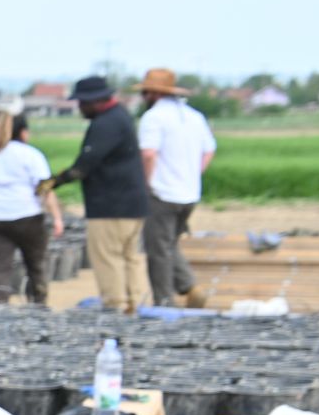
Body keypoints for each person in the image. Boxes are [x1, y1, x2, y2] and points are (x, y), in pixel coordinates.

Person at [42, 75, 150, 313]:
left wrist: (54, 182)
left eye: (82, 102)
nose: (80, 107)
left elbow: (85, 165)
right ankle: (136, 304)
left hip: (111, 206)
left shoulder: (105, 123)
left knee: (108, 257)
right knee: (130, 257)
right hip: (133, 204)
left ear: (97, 101)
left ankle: (116, 306)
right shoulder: (121, 116)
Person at [0, 111, 64, 305]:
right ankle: (38, 306)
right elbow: (45, 188)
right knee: (35, 265)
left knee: (1, 267)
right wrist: (57, 217)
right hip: (27, 216)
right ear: (24, 132)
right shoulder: (31, 155)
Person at [134, 68, 216, 307]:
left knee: (157, 249)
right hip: (189, 193)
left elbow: (148, 153)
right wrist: (194, 173)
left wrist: (146, 183)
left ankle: (164, 300)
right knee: (169, 243)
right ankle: (190, 287)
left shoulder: (154, 118)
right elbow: (209, 149)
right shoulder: (194, 116)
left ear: (152, 93)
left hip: (162, 192)